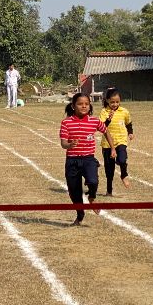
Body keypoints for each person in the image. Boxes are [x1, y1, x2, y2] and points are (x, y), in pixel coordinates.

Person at [60, 92, 114, 227]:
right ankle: (80, 215)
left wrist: (113, 148)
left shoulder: (94, 121)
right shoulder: (66, 122)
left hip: (88, 159)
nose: (84, 106)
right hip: (72, 160)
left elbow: (106, 131)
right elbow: (63, 143)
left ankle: (92, 197)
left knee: (93, 181)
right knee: (74, 191)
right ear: (73, 106)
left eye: (86, 104)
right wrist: (70, 145)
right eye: (80, 104)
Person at [98, 87, 134, 196]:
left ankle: (124, 174)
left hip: (121, 140)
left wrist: (130, 132)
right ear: (107, 100)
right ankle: (109, 190)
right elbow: (102, 127)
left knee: (122, 159)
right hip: (107, 144)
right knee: (109, 169)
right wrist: (108, 119)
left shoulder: (124, 111)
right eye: (112, 102)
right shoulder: (104, 112)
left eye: (117, 102)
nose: (115, 104)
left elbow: (128, 123)